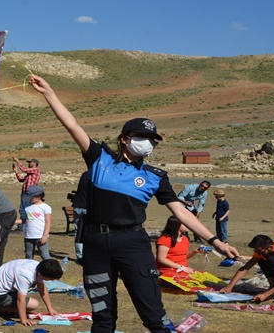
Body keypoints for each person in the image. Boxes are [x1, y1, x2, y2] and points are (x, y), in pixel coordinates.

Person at [29, 74, 238, 333]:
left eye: (153, 139)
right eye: (143, 136)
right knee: (103, 318)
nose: (149, 142)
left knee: (153, 315)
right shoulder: (99, 159)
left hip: (132, 244)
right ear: (125, 138)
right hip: (95, 244)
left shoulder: (155, 176)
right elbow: (72, 125)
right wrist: (49, 93)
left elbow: (181, 212)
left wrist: (215, 241)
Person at [0, 259, 62, 326]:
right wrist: (24, 319)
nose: (51, 281)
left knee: (24, 303)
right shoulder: (25, 274)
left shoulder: (39, 266)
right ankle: (1, 309)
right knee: (33, 305)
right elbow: (20, 300)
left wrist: (50, 308)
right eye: (50, 279)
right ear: (40, 274)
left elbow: (42, 288)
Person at [221, 234, 274, 303]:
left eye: (261, 251)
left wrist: (265, 295)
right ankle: (273, 287)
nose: (259, 253)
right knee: (262, 260)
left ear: (270, 247)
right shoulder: (265, 251)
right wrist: (230, 286)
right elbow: (245, 268)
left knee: (271, 260)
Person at [22, 185, 52, 260]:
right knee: (28, 256)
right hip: (28, 236)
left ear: (39, 197)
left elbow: (47, 222)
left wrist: (45, 236)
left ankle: (51, 269)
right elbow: (26, 220)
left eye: (31, 197)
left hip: (40, 236)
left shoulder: (46, 207)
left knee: (44, 255)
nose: (29, 200)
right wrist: (13, 221)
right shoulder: (27, 207)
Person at [12, 157, 40, 232]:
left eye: (30, 162)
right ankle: (26, 227)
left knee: (26, 211)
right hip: (25, 193)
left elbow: (24, 169)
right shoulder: (30, 173)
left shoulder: (35, 170)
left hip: (29, 193)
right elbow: (21, 179)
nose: (29, 163)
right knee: (24, 210)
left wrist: (18, 161)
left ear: (35, 163)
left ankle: (21, 228)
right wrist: (16, 171)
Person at [71, 171, 90, 263]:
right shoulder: (98, 175)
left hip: (78, 206)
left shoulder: (85, 174)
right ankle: (87, 254)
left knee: (78, 231)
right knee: (89, 232)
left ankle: (80, 255)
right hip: (88, 208)